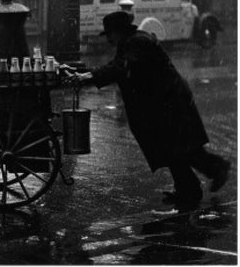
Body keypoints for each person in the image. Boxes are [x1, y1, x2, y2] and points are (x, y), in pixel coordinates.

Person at [73, 11, 230, 213]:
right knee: (174, 147)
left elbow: (121, 67)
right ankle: (189, 188)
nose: (109, 39)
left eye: (110, 34)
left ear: (118, 31)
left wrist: (90, 76)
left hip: (171, 101)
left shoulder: (138, 42)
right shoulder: (131, 41)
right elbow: (120, 66)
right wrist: (91, 75)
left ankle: (213, 172)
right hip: (165, 101)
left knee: (180, 147)